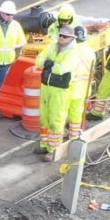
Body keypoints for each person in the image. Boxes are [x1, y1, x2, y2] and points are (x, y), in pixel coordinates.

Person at [37, 24, 90, 157]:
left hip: (59, 89)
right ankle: (45, 144)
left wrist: (49, 64)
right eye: (60, 35)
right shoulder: (52, 47)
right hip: (46, 86)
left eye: (65, 36)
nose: (61, 38)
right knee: (45, 117)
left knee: (57, 119)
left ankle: (54, 150)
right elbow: (38, 60)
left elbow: (62, 69)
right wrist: (48, 64)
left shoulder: (72, 53)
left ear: (72, 38)